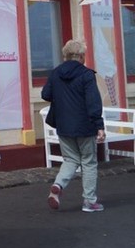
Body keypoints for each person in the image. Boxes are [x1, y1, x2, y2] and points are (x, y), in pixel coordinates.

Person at [41, 39, 105, 213]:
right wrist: (99, 126)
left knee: (70, 159)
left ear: (65, 56)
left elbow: (45, 94)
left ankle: (58, 185)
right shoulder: (86, 75)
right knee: (89, 162)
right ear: (82, 56)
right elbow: (93, 102)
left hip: (63, 125)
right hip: (85, 125)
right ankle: (89, 201)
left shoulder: (55, 73)